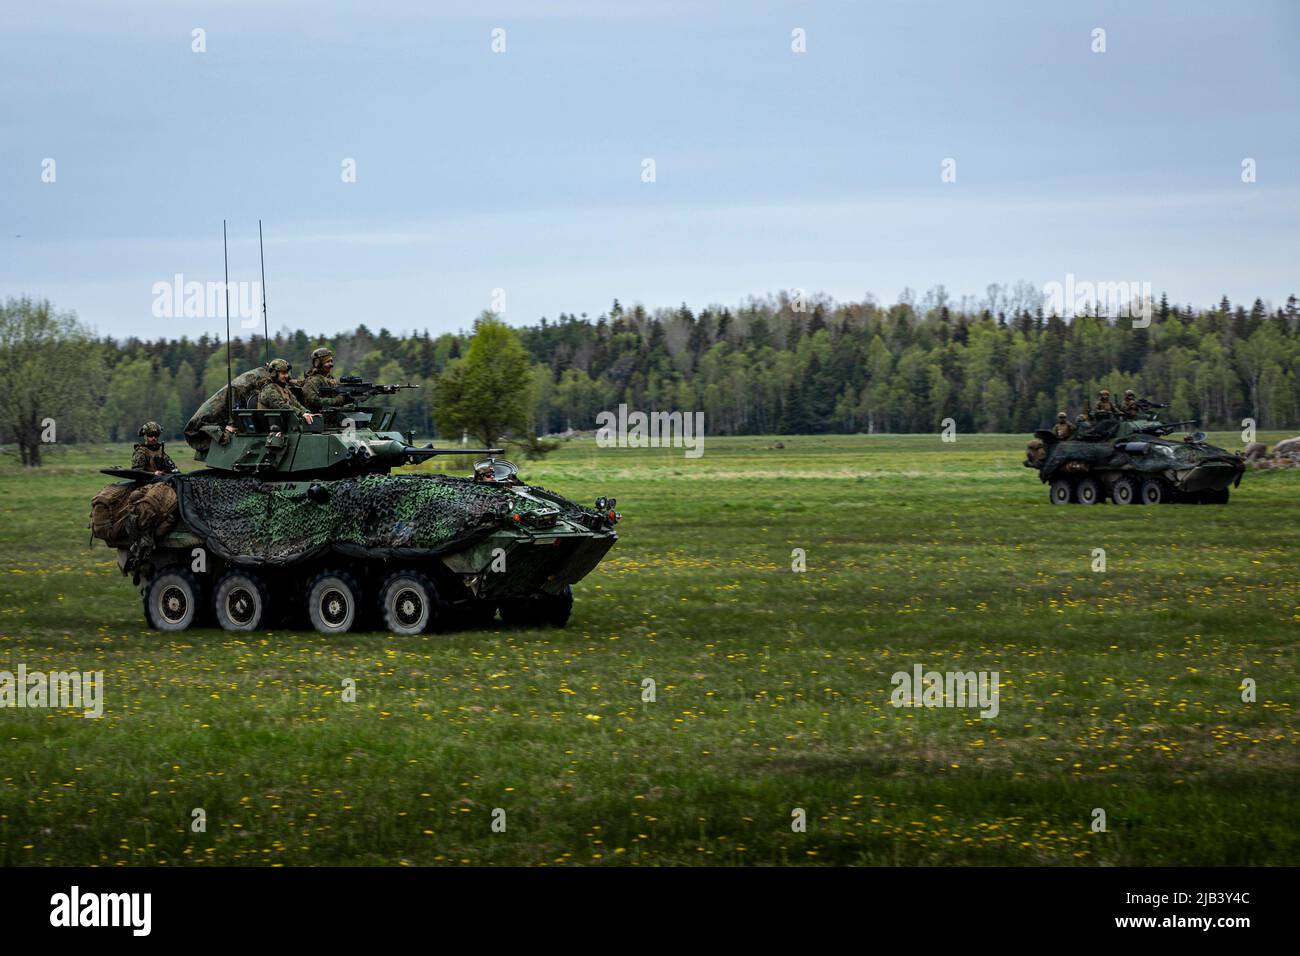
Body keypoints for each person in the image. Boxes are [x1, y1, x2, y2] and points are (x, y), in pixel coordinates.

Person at [184, 365, 273, 454]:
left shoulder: (249, 382)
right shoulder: (239, 387)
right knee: (225, 436)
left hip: (215, 419)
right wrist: (228, 427)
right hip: (199, 428)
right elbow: (232, 411)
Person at [258, 359, 317, 423]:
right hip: (270, 428)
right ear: (274, 374)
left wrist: (306, 412)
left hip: (284, 425)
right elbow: (281, 406)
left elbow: (296, 403)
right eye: (283, 373)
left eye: (287, 373)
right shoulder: (268, 389)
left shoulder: (284, 388)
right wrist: (301, 413)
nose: (286, 376)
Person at [300, 347, 351, 412]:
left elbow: (339, 399)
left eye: (331, 361)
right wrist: (336, 400)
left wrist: (348, 397)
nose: (331, 364)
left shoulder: (330, 379)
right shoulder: (312, 382)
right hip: (316, 418)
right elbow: (315, 401)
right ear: (318, 364)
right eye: (327, 361)